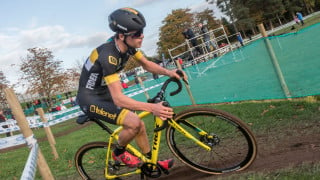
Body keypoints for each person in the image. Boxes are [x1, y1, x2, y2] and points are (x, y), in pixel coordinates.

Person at [76, 7, 187, 169]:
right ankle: (119, 152)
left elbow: (146, 64)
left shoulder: (128, 45)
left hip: (103, 92)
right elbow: (119, 98)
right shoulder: (109, 56)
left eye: (141, 31)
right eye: (136, 34)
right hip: (90, 98)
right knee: (134, 122)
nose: (141, 36)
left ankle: (151, 163)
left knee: (139, 125)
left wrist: (169, 72)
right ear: (121, 35)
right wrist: (153, 108)